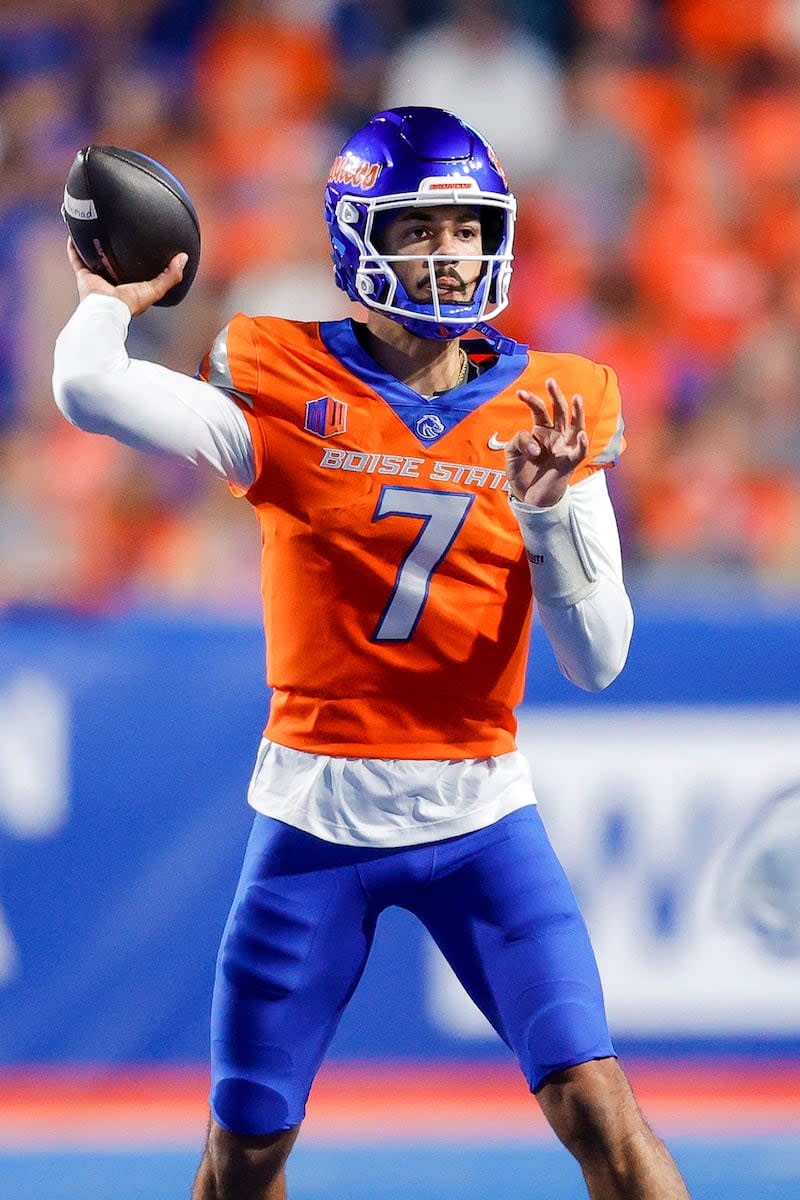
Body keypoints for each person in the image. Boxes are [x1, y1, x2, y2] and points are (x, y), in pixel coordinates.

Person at [52, 106, 691, 1200]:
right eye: (417, 230)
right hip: (314, 817)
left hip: (483, 815)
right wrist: (103, 309)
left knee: (597, 1104)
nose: (447, 254)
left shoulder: (548, 409)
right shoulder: (287, 385)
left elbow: (597, 661)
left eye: (463, 227)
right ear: (360, 245)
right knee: (244, 1151)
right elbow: (87, 390)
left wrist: (544, 515)